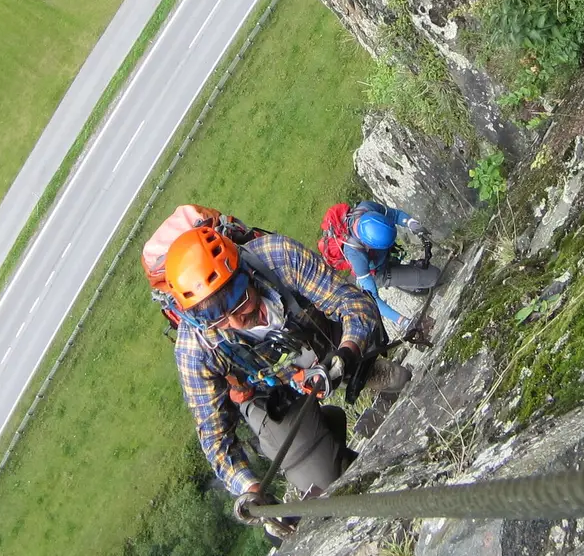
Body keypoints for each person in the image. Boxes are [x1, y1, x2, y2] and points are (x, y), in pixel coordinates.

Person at [164, 224, 410, 527]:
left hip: (324, 345)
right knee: (325, 479)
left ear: (246, 274)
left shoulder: (278, 256)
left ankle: (364, 370)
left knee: (398, 379)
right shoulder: (195, 350)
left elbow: (353, 304)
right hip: (271, 394)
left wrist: (347, 353)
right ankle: (323, 430)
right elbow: (215, 438)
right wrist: (249, 488)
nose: (235, 321)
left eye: (239, 301)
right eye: (217, 319)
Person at [318, 200, 438, 335]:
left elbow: (394, 214)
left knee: (433, 276)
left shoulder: (367, 208)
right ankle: (402, 281)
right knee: (433, 277)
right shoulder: (356, 255)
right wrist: (403, 321)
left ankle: (405, 276)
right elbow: (372, 298)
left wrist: (410, 222)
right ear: (368, 244)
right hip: (377, 272)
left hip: (382, 255)